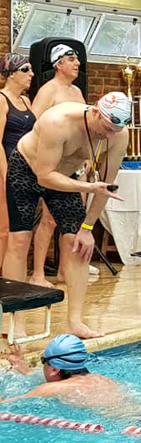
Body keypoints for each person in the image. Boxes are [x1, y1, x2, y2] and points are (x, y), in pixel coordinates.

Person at [4, 92, 130, 339]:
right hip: (28, 170)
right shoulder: (58, 121)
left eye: (115, 130)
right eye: (106, 128)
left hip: (66, 178)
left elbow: (106, 186)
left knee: (78, 244)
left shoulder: (117, 136)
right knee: (19, 239)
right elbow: (45, 176)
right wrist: (87, 187)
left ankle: (75, 321)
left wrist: (88, 228)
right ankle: (14, 318)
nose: (109, 135)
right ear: (95, 111)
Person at [29, 44, 92, 285]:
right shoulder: (48, 90)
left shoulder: (76, 91)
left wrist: (87, 158)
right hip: (54, 163)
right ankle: (37, 274)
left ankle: (66, 270)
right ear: (58, 64)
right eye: (72, 59)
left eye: (77, 59)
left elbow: (85, 127)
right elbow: (34, 125)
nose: (77, 63)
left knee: (75, 220)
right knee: (49, 219)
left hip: (76, 163)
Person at [0, 334, 126, 408]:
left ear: (55, 369)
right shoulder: (103, 380)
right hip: (139, 415)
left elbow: (6, 405)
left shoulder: (49, 388)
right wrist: (26, 371)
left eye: (43, 361)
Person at [0, 54, 36, 274]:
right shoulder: (1, 100)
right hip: (6, 169)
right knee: (4, 229)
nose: (31, 74)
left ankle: (11, 277)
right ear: (11, 74)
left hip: (25, 171)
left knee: (20, 230)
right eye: (25, 70)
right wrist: (5, 175)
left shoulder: (26, 101)